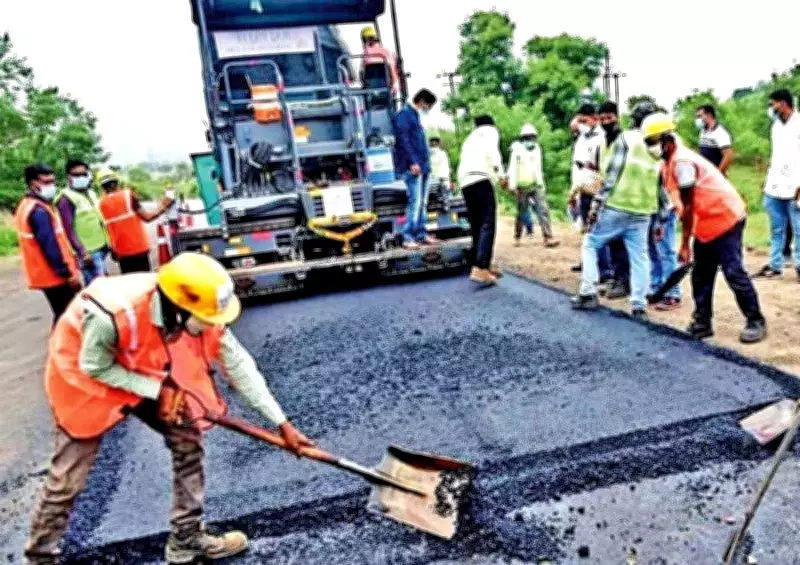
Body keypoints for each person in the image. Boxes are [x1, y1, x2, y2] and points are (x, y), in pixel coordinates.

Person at [24, 252, 313, 564]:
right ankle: (39, 557)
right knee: (68, 476)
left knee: (187, 437)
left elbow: (238, 363)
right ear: (179, 307)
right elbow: (95, 366)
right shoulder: (113, 313)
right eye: (204, 320)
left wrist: (281, 422)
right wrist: (158, 389)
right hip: (85, 377)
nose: (210, 326)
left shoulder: (200, 310)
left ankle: (186, 538)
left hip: (141, 367)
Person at [642, 113, 766, 343]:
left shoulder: (682, 163)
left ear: (667, 139)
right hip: (705, 222)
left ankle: (756, 320)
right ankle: (702, 322)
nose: (650, 147)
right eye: (647, 142)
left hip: (726, 218)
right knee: (701, 274)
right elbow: (676, 202)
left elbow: (688, 207)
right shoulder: (668, 162)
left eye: (652, 142)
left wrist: (684, 244)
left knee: (733, 271)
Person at [571, 102, 665, 319]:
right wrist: (659, 218)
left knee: (591, 243)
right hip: (643, 211)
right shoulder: (659, 146)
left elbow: (612, 175)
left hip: (617, 205)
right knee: (640, 256)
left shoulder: (627, 139)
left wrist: (596, 206)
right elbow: (661, 184)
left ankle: (587, 293)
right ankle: (639, 305)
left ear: (633, 119)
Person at [14, 163, 81, 325]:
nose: (51, 186)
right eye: (47, 182)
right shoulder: (39, 211)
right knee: (67, 317)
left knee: (63, 314)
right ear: (33, 184)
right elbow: (51, 248)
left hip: (44, 274)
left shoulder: (26, 205)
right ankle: (60, 349)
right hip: (54, 275)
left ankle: (61, 347)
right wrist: (67, 274)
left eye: (52, 181)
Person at [753, 89, 800, 280]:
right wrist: (768, 178)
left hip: (796, 185)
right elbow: (776, 155)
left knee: (798, 228)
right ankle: (775, 264)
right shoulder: (776, 127)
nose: (771, 108)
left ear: (783, 103)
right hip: (775, 184)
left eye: (773, 104)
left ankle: (799, 266)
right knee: (776, 228)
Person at [457, 115, 505, 286]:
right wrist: (501, 175)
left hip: (465, 182)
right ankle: (481, 267)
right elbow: (493, 153)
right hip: (480, 179)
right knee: (488, 222)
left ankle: (477, 264)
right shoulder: (490, 132)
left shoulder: (470, 138)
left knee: (476, 224)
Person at [97, 169, 172, 273]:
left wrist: (112, 250)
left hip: (121, 252)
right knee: (145, 281)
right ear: (116, 181)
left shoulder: (100, 204)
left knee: (130, 283)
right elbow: (147, 217)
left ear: (101, 186)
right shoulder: (128, 195)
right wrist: (163, 207)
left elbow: (104, 229)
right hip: (139, 248)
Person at [393, 88, 439, 250]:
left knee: (423, 203)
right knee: (415, 202)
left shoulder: (415, 116)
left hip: (423, 165)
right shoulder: (404, 115)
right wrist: (413, 162)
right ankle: (408, 236)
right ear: (421, 101)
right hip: (413, 166)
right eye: (428, 105)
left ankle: (421, 233)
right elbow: (404, 141)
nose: (428, 109)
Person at [568, 104, 610, 276]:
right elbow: (574, 126)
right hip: (581, 182)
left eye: (584, 120)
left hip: (594, 185)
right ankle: (588, 261)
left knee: (597, 228)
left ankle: (604, 268)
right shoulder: (584, 136)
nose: (580, 123)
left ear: (594, 118)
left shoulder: (601, 136)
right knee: (585, 226)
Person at [55, 160, 109, 285]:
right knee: (97, 288)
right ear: (69, 177)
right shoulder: (65, 199)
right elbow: (68, 229)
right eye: (76, 175)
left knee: (103, 284)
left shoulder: (90, 193)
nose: (81, 177)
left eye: (83, 174)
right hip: (88, 252)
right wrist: (82, 252)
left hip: (100, 247)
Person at [597, 101, 631, 299]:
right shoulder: (605, 140)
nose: (605, 121)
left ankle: (624, 282)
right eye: (602, 118)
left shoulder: (622, 139)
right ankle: (618, 278)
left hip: (622, 197)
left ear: (617, 117)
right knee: (613, 242)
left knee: (621, 243)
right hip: (610, 197)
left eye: (608, 118)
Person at [507, 123, 560, 248]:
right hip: (521, 186)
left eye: (531, 137)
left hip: (536, 185)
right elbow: (512, 168)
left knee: (543, 210)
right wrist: (512, 186)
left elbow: (538, 167)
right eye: (527, 138)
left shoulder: (537, 149)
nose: (529, 140)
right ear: (522, 139)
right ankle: (517, 236)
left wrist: (541, 184)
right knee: (521, 212)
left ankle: (548, 237)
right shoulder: (517, 151)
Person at [360, 25, 399, 98]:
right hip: (387, 89)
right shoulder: (387, 51)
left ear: (365, 39)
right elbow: (392, 70)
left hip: (372, 91)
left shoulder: (366, 52)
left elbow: (362, 74)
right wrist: (394, 84)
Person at [695, 104, 734, 175]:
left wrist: (717, 173)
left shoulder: (720, 132)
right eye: (697, 117)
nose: (698, 120)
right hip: (704, 173)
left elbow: (728, 155)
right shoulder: (703, 131)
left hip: (715, 176)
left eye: (700, 116)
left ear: (709, 115)